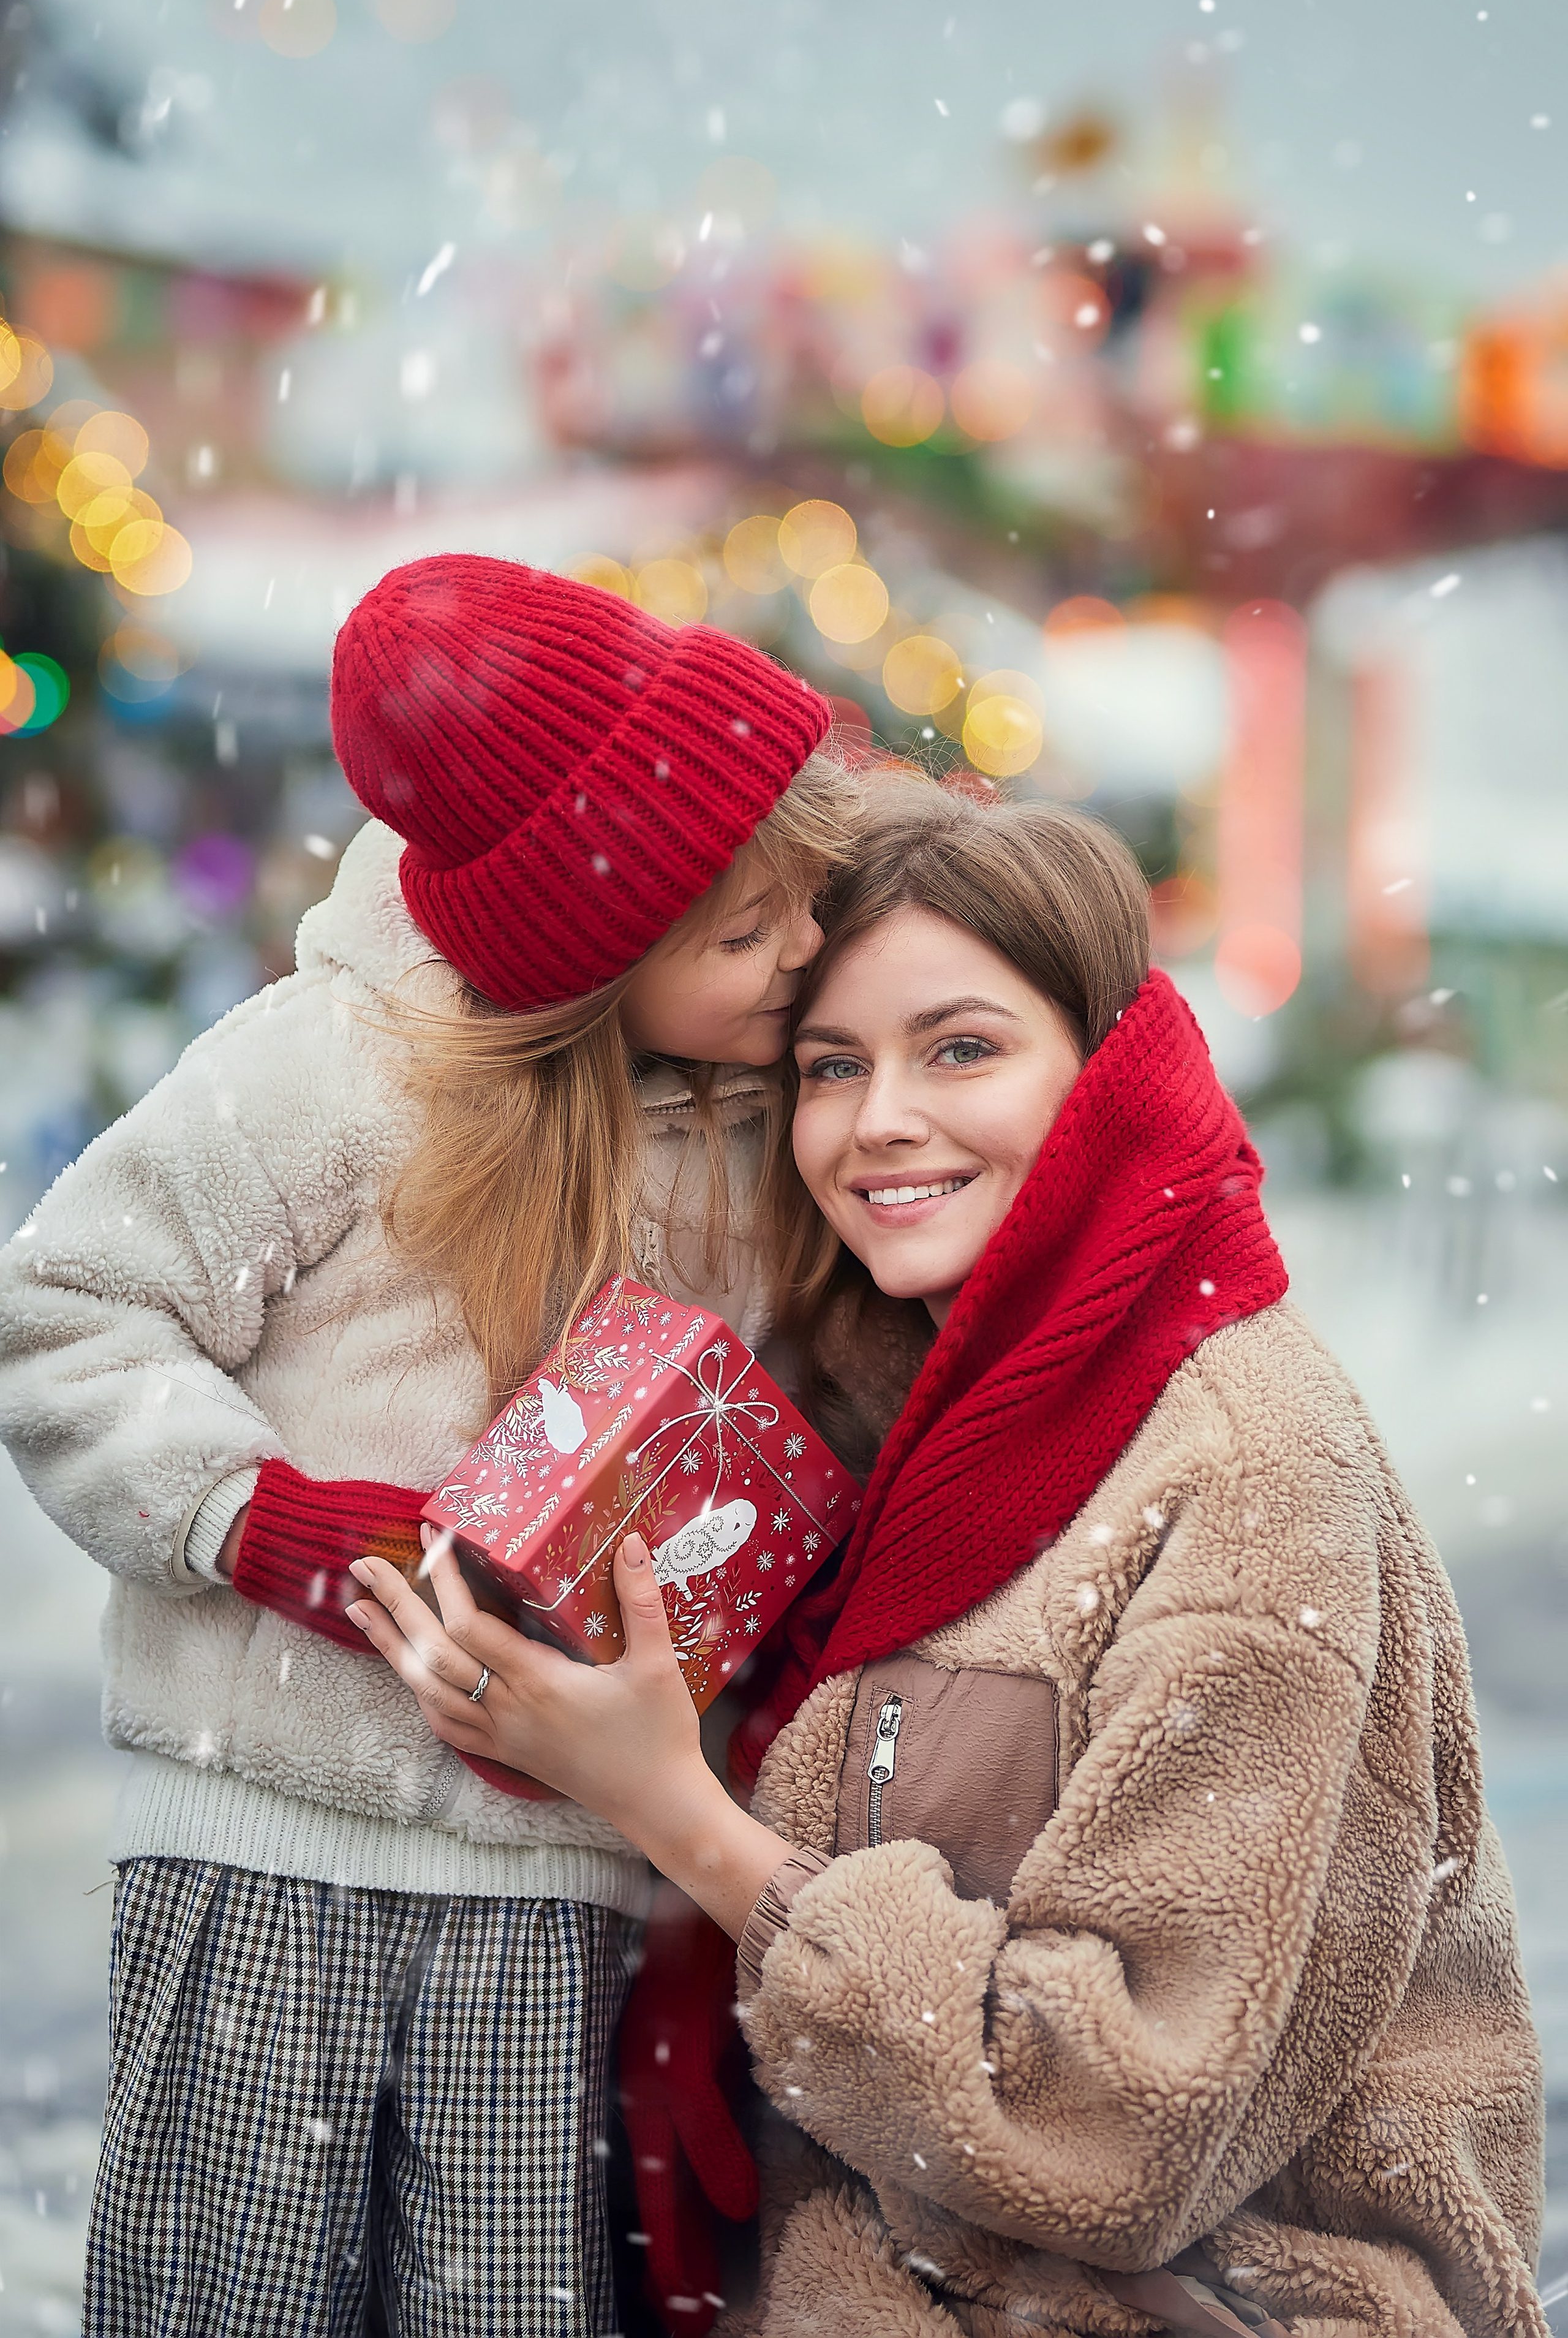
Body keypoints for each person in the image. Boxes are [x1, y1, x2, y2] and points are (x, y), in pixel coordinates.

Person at [348, 779, 1548, 2338]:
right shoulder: (896, 1416)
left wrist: (671, 1809)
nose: (876, 1122)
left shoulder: (1245, 1467)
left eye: (960, 1048)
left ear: (1111, 1070)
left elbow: (1104, 2131)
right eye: (830, 1067)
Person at [0, 554, 858, 2338]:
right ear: (593, 945)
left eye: (803, 907)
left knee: (505, 2304)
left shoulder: (774, 1112)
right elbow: (68, 1312)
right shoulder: (329, 1070)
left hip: (550, 1875)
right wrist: (259, 1518)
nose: (799, 955)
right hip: (264, 1834)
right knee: (223, 2297)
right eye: (740, 930)